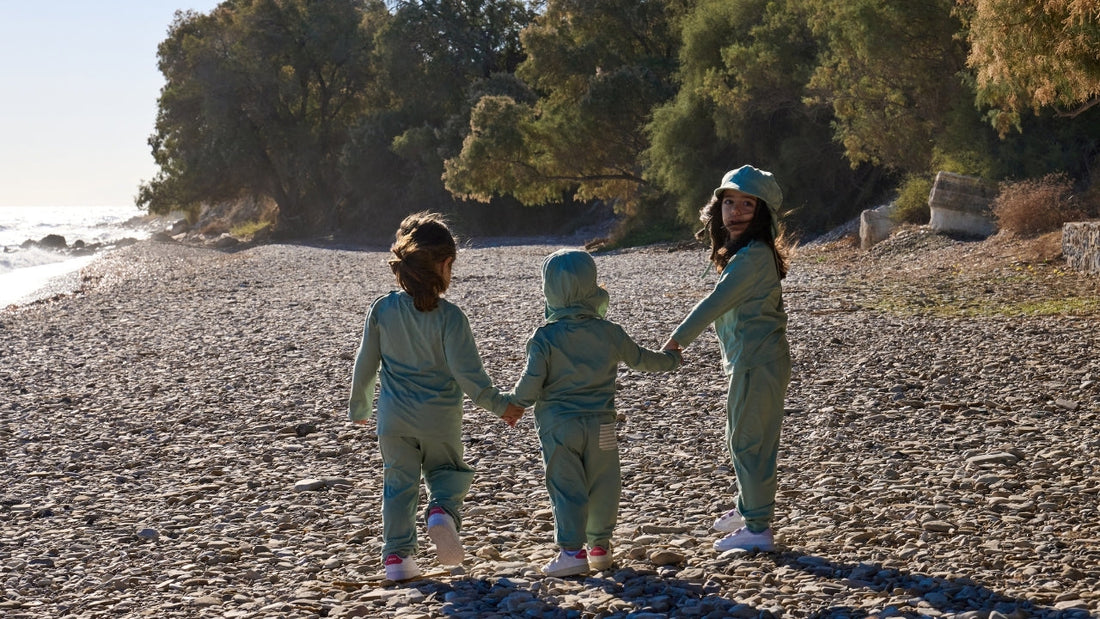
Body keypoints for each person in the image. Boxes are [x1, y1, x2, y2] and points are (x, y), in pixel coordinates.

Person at [348, 212, 525, 581]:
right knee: (447, 472)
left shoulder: (381, 309)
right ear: (445, 265)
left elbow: (365, 363)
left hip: (393, 420)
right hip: (439, 420)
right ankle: (442, 511)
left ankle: (397, 559)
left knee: (398, 485)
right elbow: (470, 377)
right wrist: (502, 405)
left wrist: (359, 406)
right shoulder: (451, 318)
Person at [507, 249, 682, 577]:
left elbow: (528, 389)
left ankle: (572, 551)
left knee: (566, 485)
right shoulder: (610, 332)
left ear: (550, 292)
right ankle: (600, 547)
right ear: (592, 286)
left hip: (559, 426)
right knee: (604, 482)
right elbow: (644, 359)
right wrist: (672, 357)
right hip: (602, 424)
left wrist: (509, 404)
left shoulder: (545, 337)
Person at [662, 165, 792, 553]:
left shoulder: (752, 257)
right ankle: (749, 507)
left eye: (746, 204)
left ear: (762, 211)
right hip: (754, 360)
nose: (734, 211)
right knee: (743, 439)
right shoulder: (748, 253)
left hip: (758, 361)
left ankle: (757, 528)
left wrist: (677, 339)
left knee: (750, 442)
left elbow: (715, 303)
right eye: (729, 202)